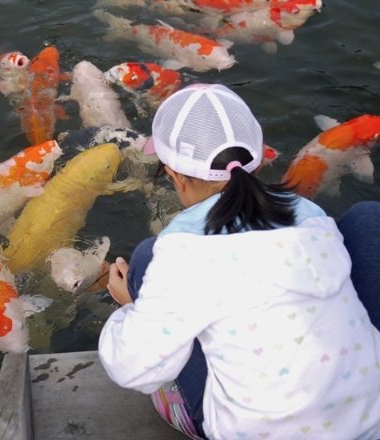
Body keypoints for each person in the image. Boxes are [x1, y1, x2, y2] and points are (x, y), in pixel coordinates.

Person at [97, 83, 380, 440]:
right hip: (370, 420)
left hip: (253, 432)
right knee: (369, 219)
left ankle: (186, 412)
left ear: (174, 175)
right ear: (259, 159)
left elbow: (132, 369)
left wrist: (128, 307)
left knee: (145, 257)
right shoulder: (314, 216)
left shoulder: (181, 252)